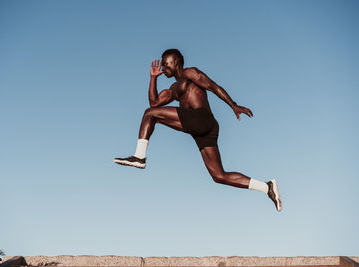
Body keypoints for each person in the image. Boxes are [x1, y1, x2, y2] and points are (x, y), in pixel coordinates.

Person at [114, 49, 282, 212]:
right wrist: (152, 78)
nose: (163, 68)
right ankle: (267, 187)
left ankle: (139, 157)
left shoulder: (189, 73)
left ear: (176, 62)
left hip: (201, 118)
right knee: (219, 176)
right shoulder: (173, 88)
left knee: (150, 115)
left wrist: (233, 105)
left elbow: (212, 86)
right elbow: (154, 103)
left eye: (166, 64)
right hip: (204, 130)